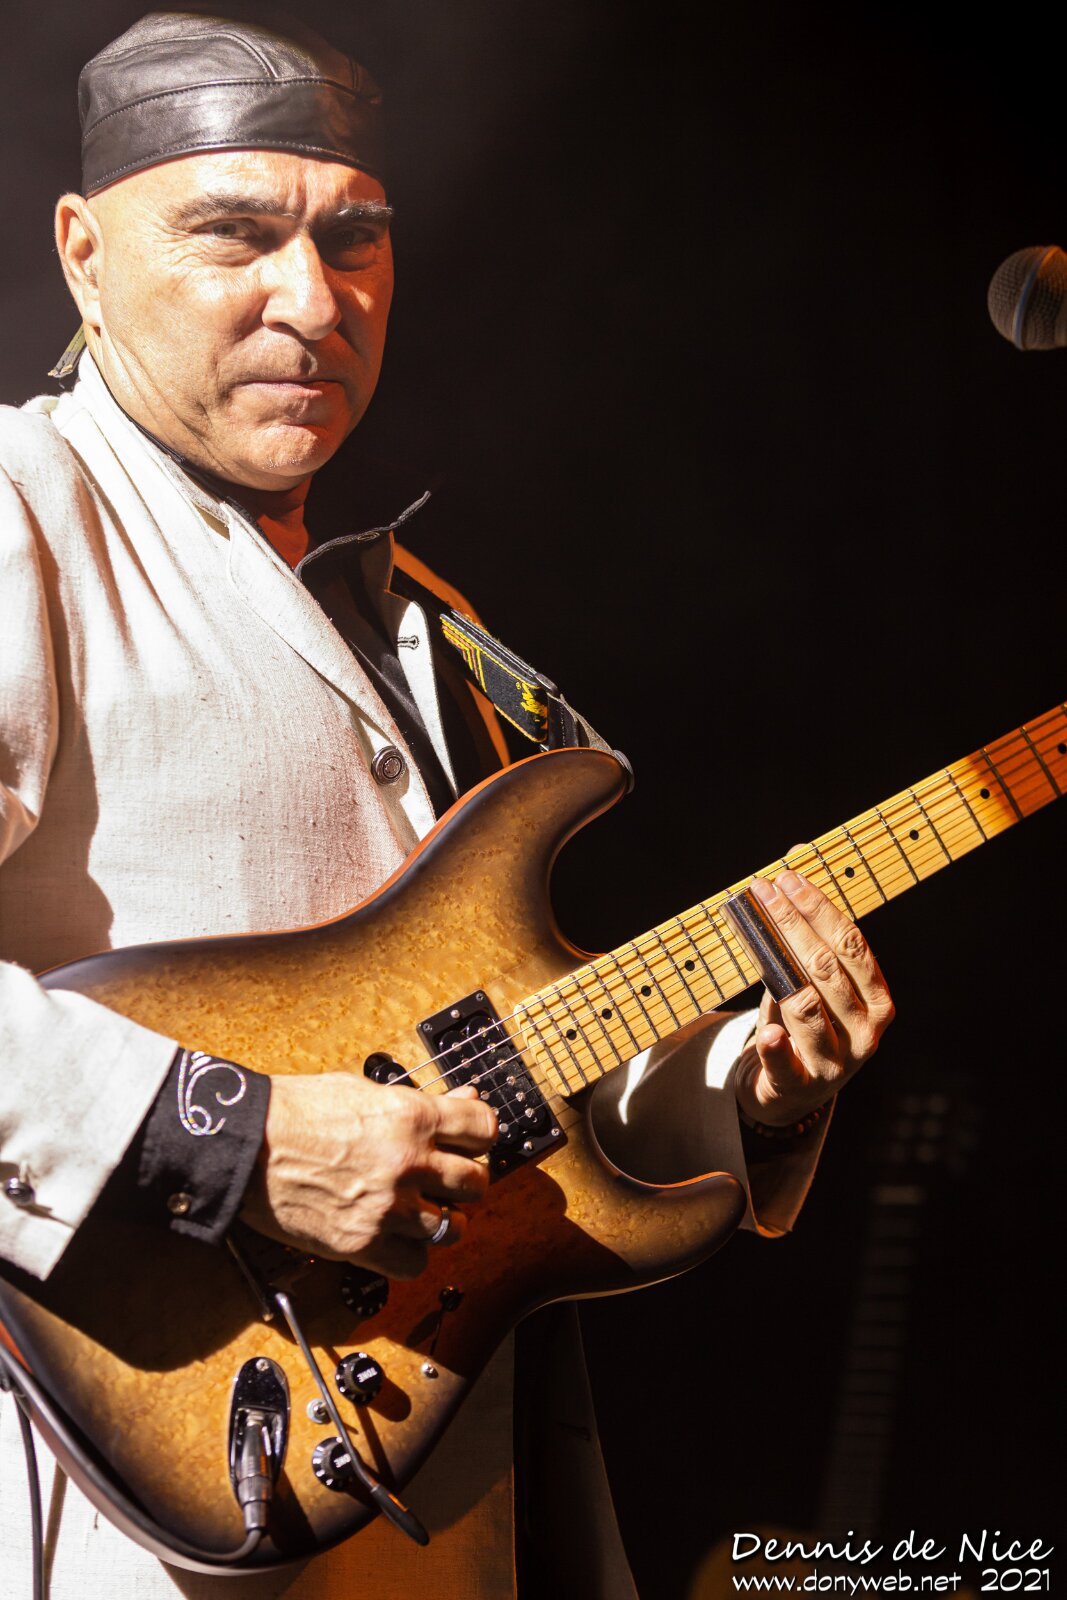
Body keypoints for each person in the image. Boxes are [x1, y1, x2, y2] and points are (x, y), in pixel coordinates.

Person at [0, 11, 895, 1598]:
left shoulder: (422, 615)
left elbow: (487, 1067)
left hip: (442, 1498)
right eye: (235, 235)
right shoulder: (24, 508)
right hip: (145, 1512)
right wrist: (236, 1139)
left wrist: (746, 1087)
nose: (313, 298)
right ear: (83, 252)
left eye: (354, 239)